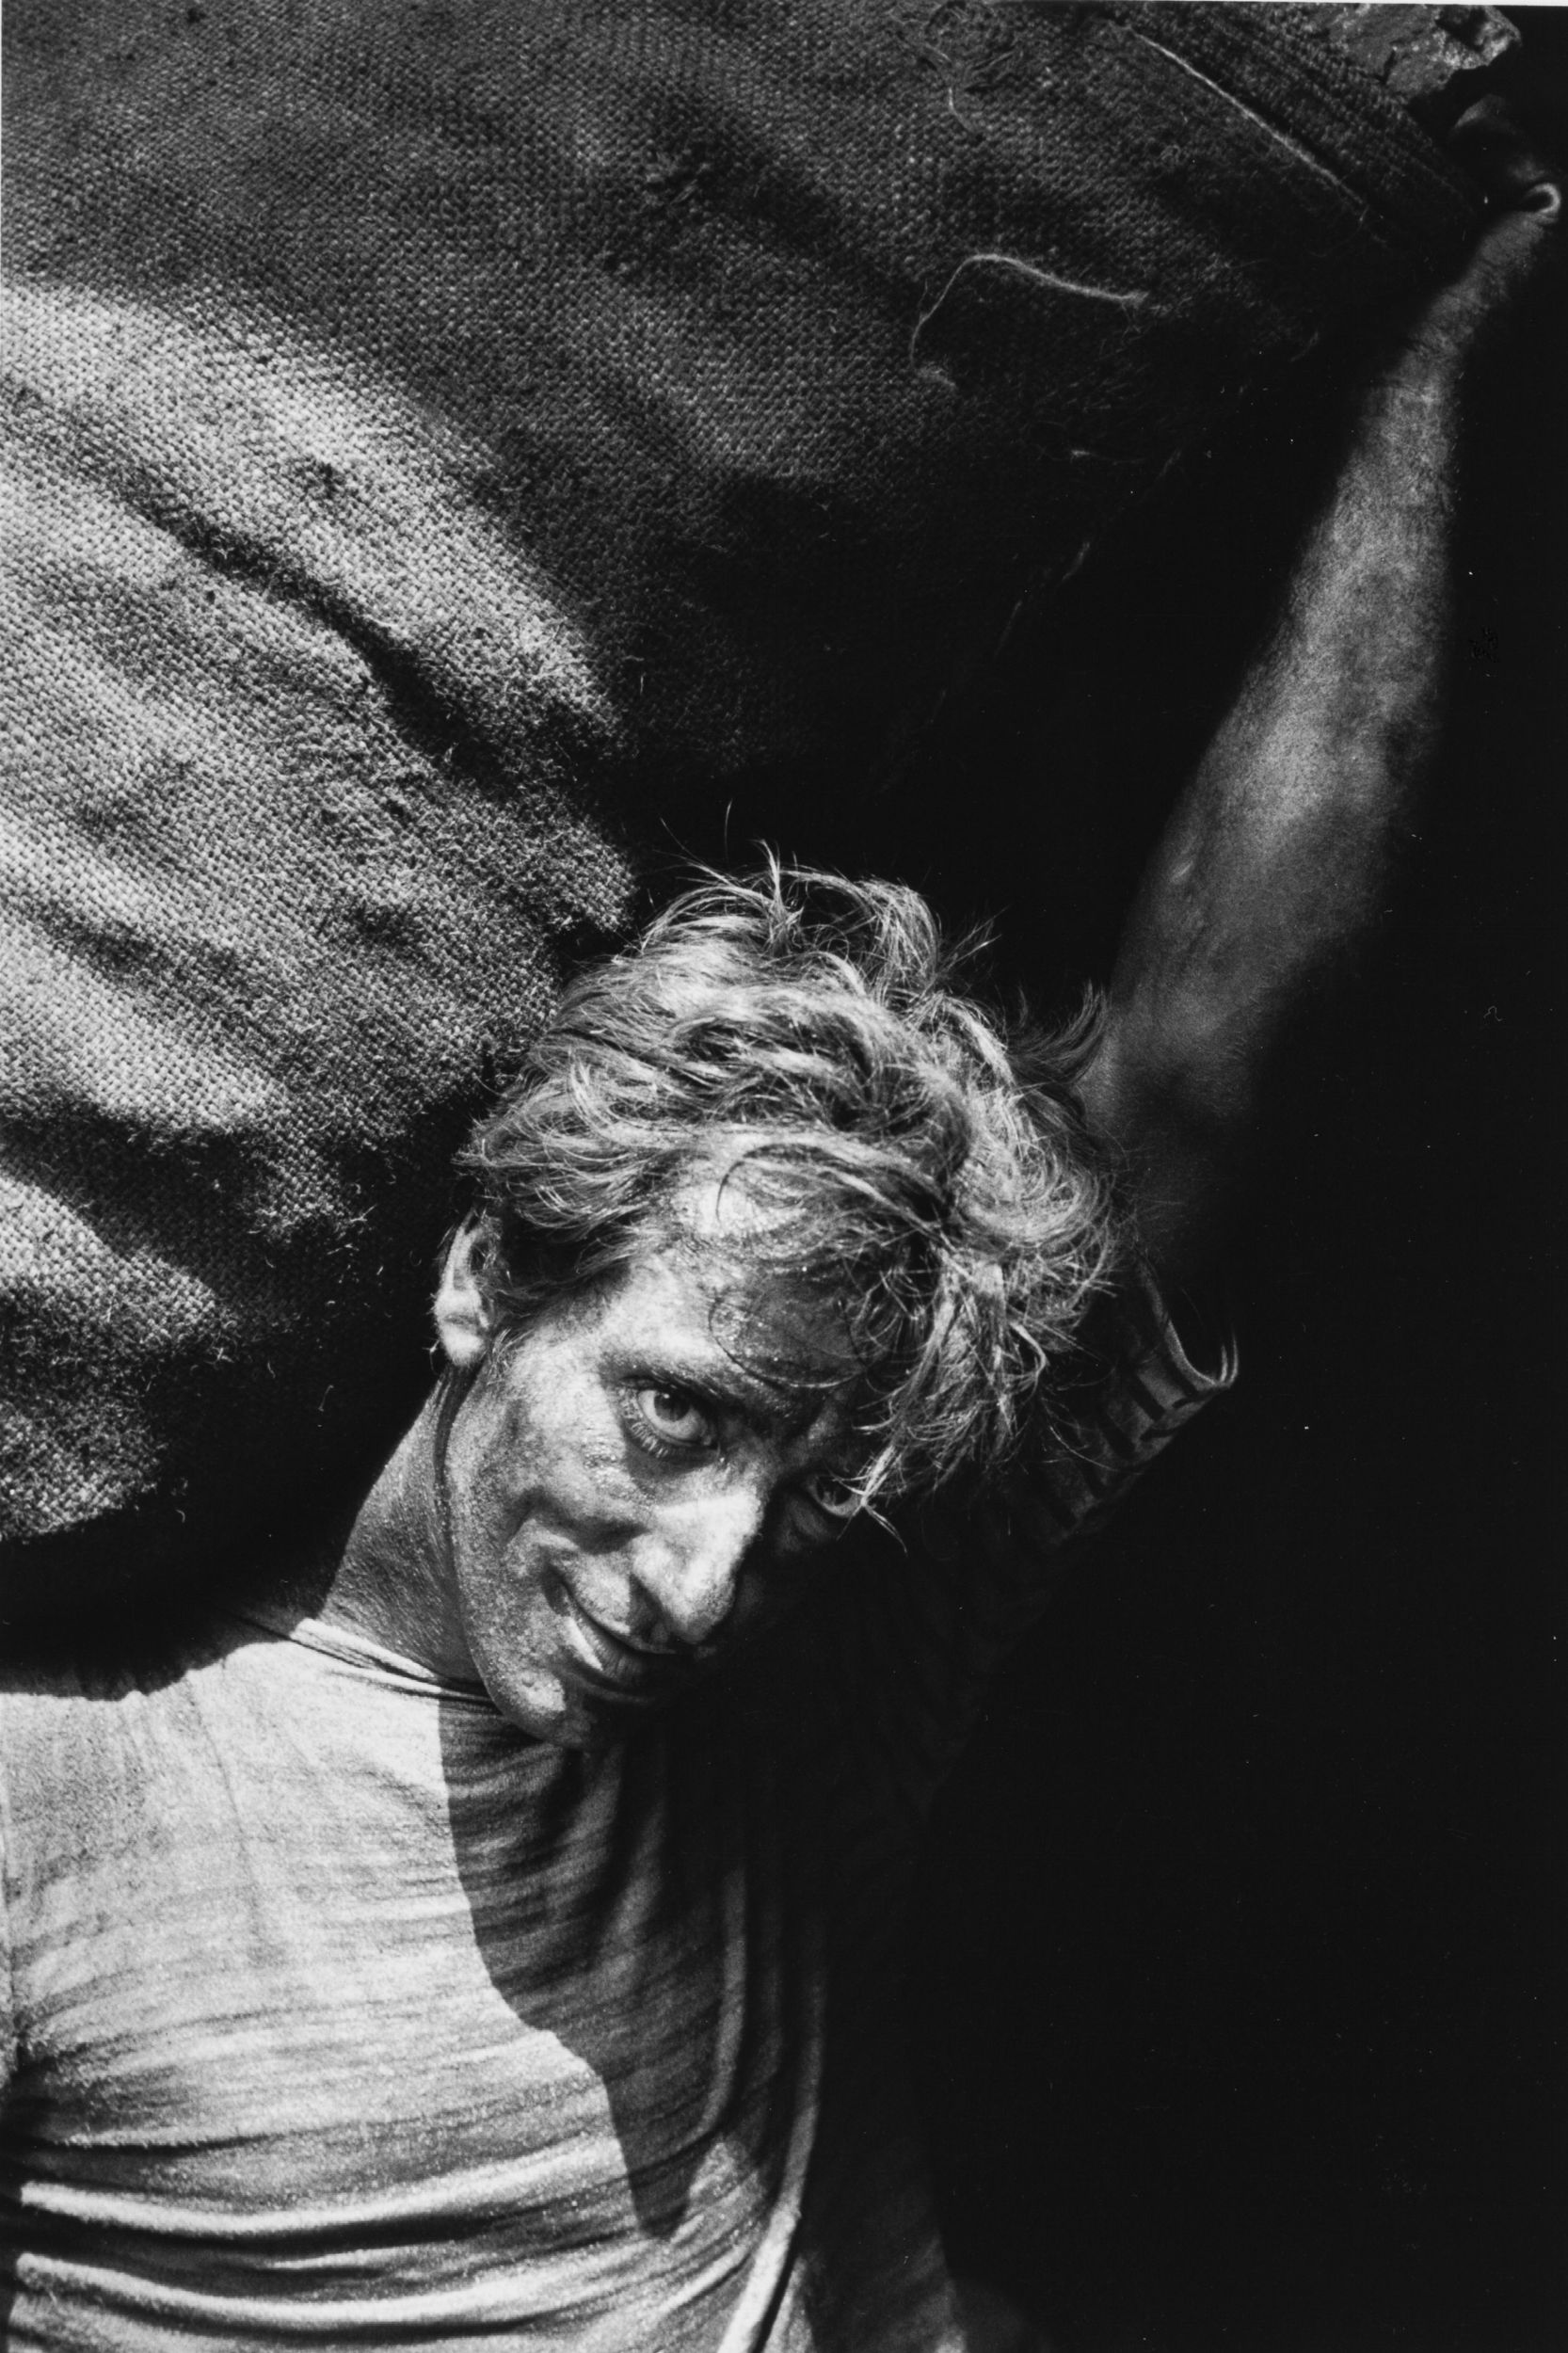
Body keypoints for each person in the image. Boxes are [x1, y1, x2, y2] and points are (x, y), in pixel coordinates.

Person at [0, 112, 1555, 2353]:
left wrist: (1447, 328)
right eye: (675, 1412)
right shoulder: (78, 1799)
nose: (705, 1576)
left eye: (808, 1491)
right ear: (486, 1279)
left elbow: (1206, 1056)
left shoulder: (796, 1725)